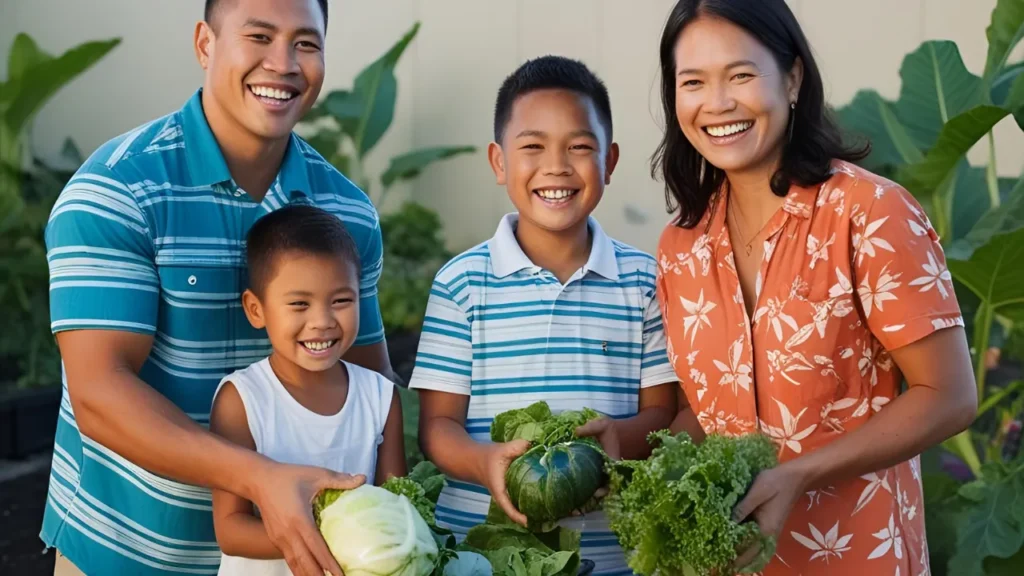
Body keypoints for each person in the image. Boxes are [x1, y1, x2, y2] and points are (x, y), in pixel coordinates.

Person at [41, 1, 399, 575]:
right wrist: (259, 478)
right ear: (206, 44)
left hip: (297, 560)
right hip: (128, 551)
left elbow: (368, 386)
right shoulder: (116, 190)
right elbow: (99, 395)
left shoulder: (347, 213)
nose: (284, 63)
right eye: (260, 36)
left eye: (306, 43)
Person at [650, 1, 978, 575]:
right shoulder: (681, 245)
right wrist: (632, 465)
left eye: (741, 75)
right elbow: (707, 413)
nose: (717, 103)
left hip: (858, 554)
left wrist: (797, 476)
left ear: (793, 77)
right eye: (693, 82)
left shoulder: (869, 212)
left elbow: (948, 395)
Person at [409, 55, 681, 576]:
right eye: (532, 147)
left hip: (611, 557)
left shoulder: (646, 281)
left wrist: (612, 445)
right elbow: (438, 426)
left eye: (579, 147)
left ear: (610, 161)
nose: (556, 166)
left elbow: (661, 414)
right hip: (481, 555)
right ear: (498, 162)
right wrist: (484, 463)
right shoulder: (461, 283)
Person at [209, 204, 406, 576]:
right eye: (299, 304)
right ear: (256, 309)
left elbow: (399, 509)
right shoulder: (242, 400)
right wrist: (338, 542)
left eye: (341, 301)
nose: (322, 321)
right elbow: (231, 531)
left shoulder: (380, 398)